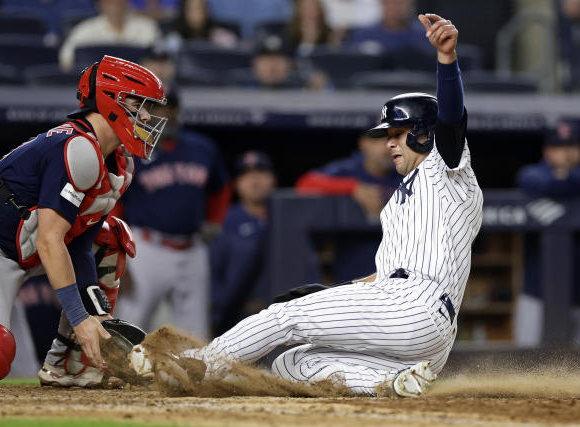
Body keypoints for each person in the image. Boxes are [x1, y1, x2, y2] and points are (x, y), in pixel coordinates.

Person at [132, 13, 483, 397]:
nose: (389, 144)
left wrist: (446, 61)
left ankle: (196, 365)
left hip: (415, 303)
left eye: (398, 134)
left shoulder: (444, 169)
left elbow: (450, 118)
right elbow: (385, 274)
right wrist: (328, 294)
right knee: (292, 362)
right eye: (387, 136)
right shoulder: (404, 196)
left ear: (424, 134)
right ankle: (392, 384)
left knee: (282, 317)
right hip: (427, 335)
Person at [0, 55, 167, 384]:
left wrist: (95, 313)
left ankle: (69, 364)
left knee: (110, 235)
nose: (146, 115)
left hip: (23, 244)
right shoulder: (77, 148)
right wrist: (78, 318)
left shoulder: (121, 164)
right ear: (109, 101)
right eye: (137, 104)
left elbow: (82, 239)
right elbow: (50, 241)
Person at [115, 90, 230, 340]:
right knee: (131, 320)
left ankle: (192, 379)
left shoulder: (202, 148)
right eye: (157, 109)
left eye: (169, 108)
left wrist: (214, 220)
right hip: (145, 248)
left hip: (192, 248)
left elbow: (220, 189)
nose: (164, 114)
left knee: (195, 330)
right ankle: (115, 376)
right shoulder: (131, 149)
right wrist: (118, 255)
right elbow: (114, 204)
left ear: (178, 112)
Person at [295, 135, 401, 280]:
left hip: (398, 273)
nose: (387, 145)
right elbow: (305, 184)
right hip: (353, 276)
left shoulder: (404, 171)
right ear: (363, 143)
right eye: (378, 139)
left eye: (393, 137)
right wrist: (353, 187)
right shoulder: (349, 170)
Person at [514, 119, 580, 347]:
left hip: (577, 295)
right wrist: (564, 183)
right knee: (525, 363)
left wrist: (564, 180)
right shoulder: (532, 174)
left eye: (572, 146)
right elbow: (528, 179)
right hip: (536, 292)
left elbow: (557, 184)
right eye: (560, 147)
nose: (567, 153)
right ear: (547, 151)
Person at [210, 151, 276, 336]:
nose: (254, 180)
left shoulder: (287, 218)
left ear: (273, 179)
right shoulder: (224, 221)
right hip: (237, 318)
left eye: (261, 172)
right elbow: (213, 275)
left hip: (282, 316)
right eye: (246, 174)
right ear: (236, 184)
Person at [59, 0, 162, 71]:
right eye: (110, 1)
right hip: (96, 91)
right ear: (99, 4)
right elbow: (66, 61)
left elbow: (161, 62)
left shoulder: (148, 28)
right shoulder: (84, 30)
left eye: (120, 1)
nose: (115, 5)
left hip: (139, 91)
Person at [348, 0, 429, 55]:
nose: (394, 7)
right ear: (382, 4)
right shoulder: (364, 34)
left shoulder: (426, 33)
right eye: (389, 2)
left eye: (399, 3)